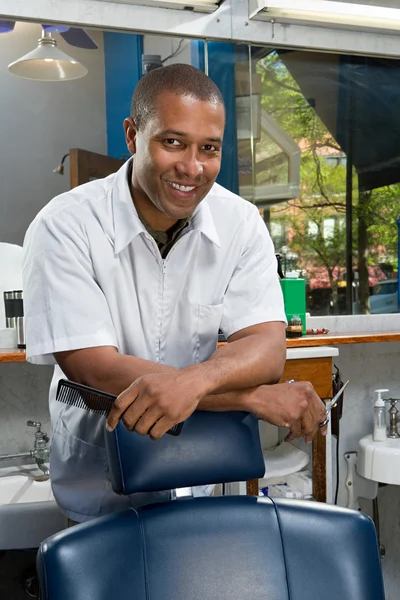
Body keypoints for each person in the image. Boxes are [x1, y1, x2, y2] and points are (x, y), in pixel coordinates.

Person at [22, 64, 327, 524]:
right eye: (173, 142)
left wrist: (194, 382)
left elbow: (266, 350)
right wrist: (247, 397)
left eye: (209, 148)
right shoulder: (65, 226)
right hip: (96, 494)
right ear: (132, 136)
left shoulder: (240, 224)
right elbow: (97, 371)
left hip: (198, 483)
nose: (192, 167)